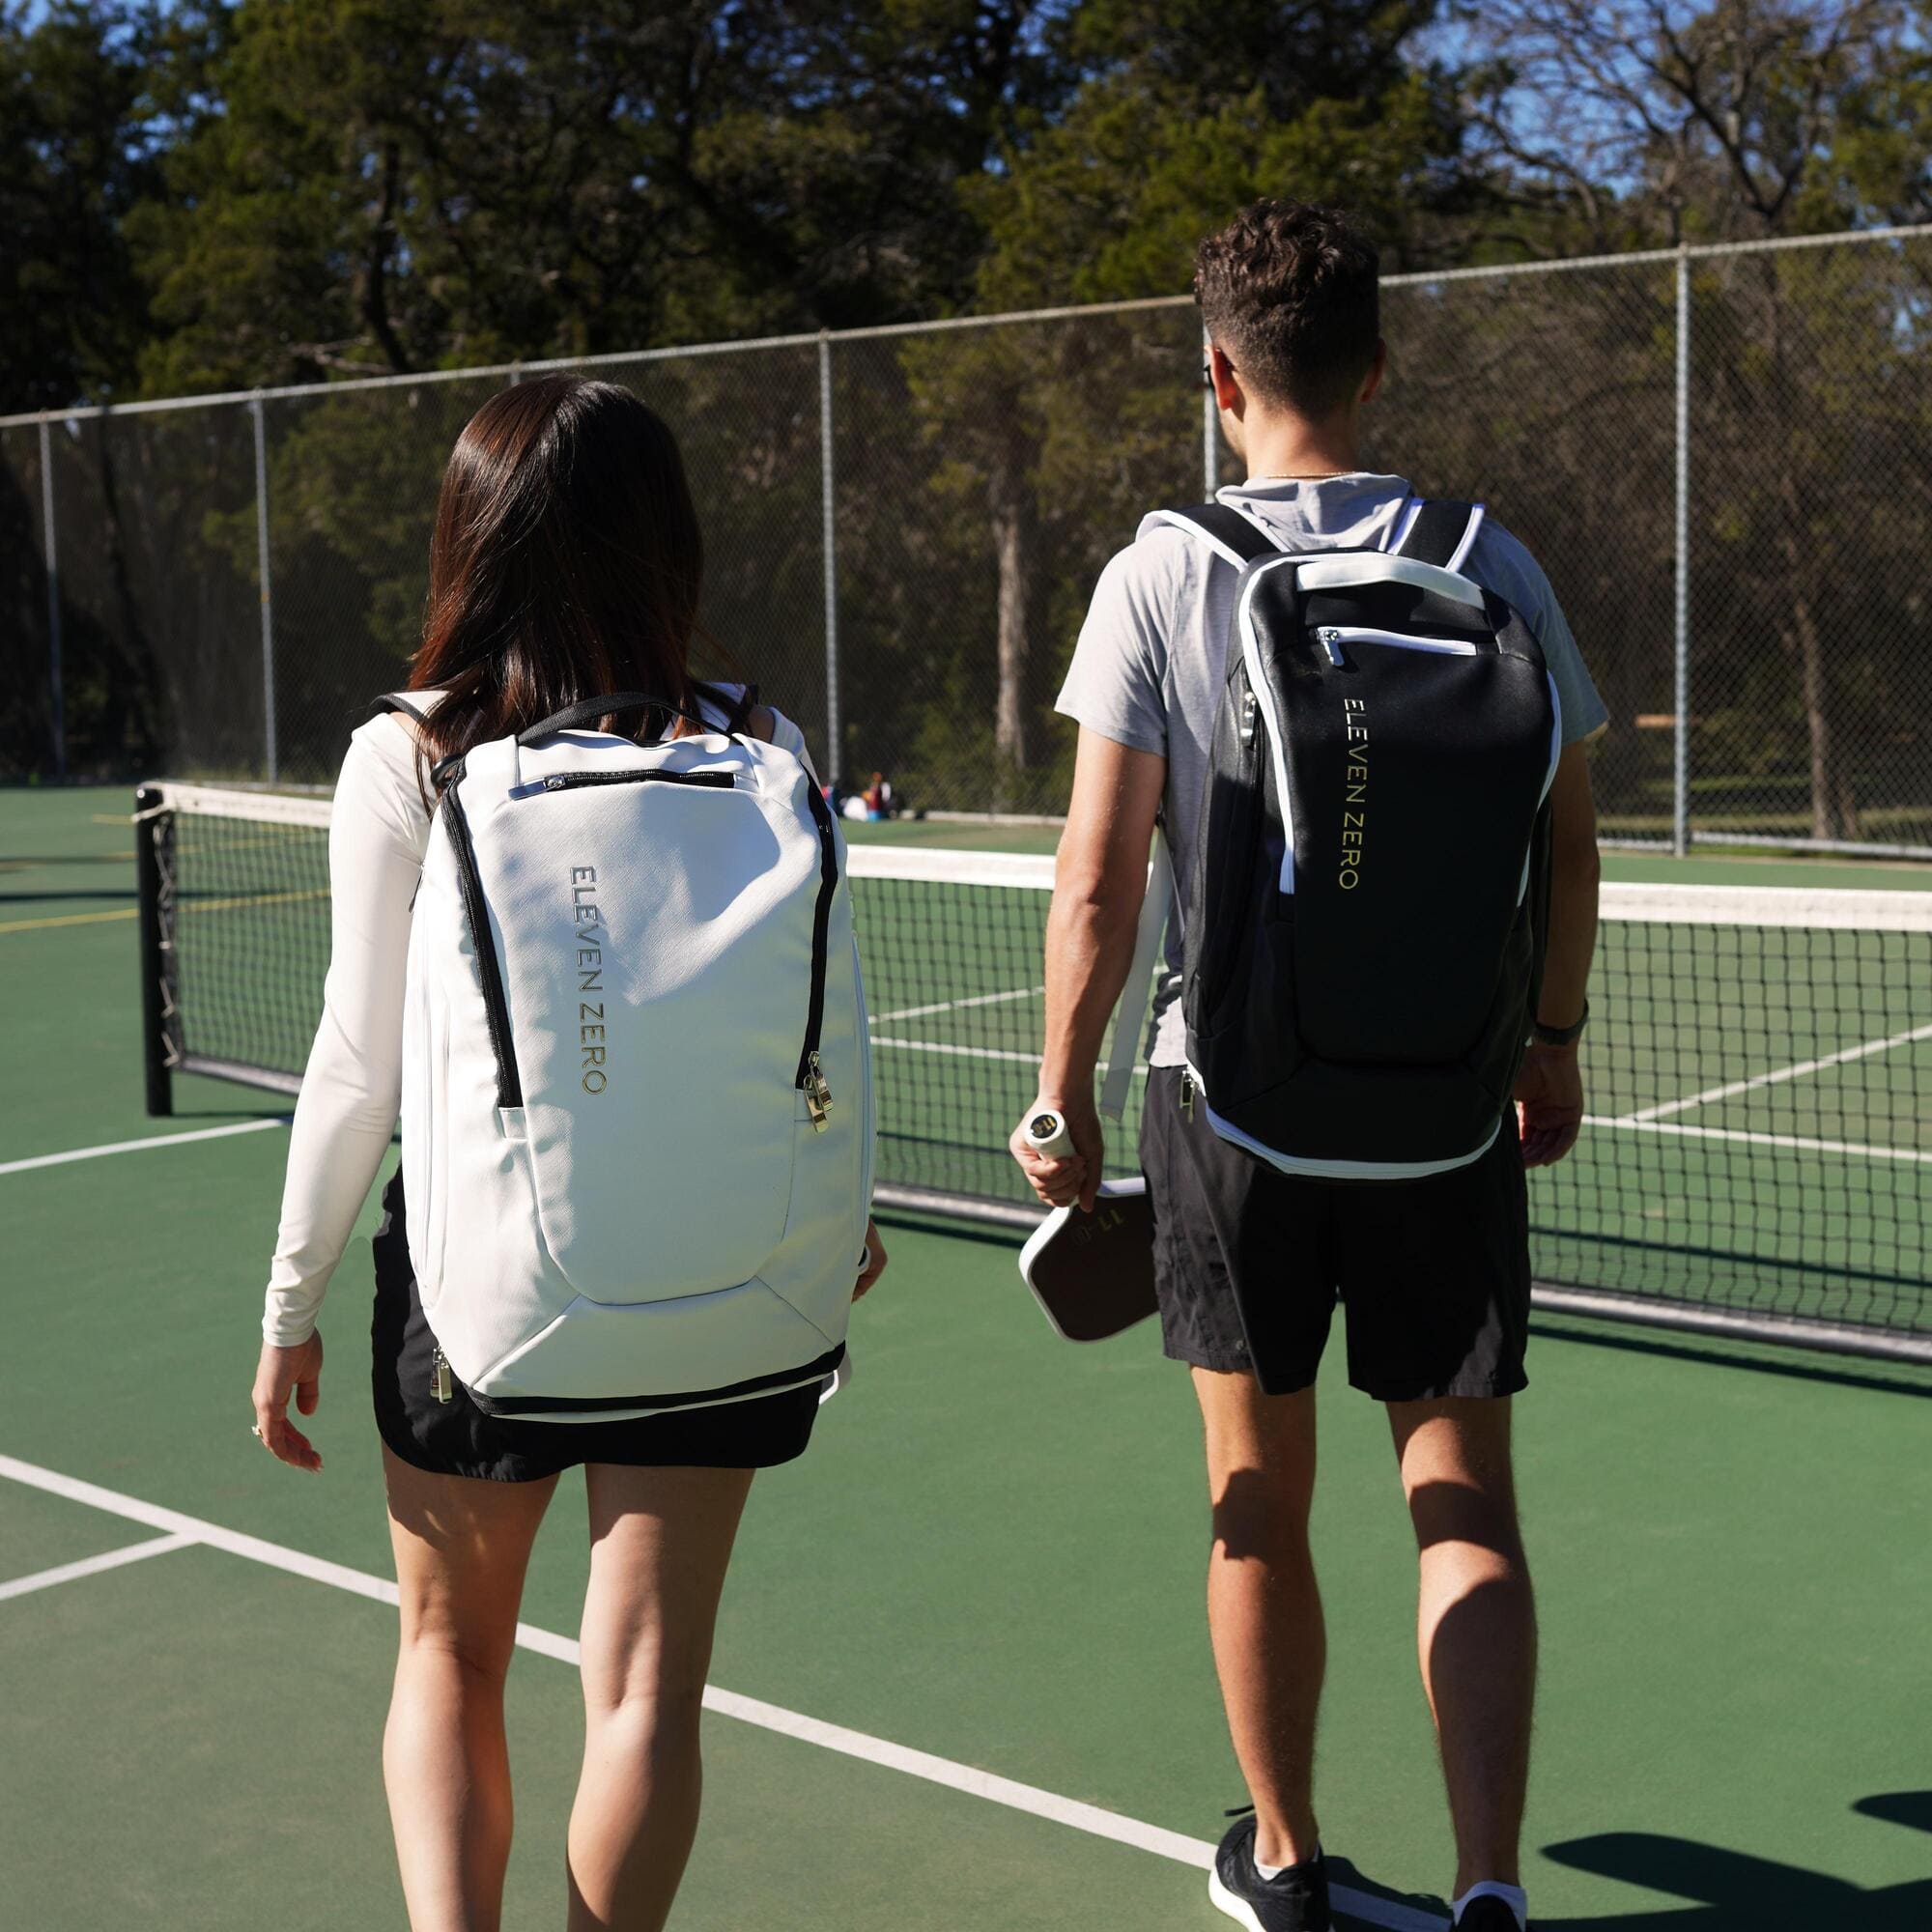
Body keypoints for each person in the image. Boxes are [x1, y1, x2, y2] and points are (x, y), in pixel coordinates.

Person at [1009, 201, 1605, 1932]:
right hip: (1447, 1113)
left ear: (1216, 374)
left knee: (1254, 1502)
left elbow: (1098, 880)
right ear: (1379, 362)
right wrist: (1548, 1044)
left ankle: (1282, 1862)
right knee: (1464, 1505)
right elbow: (1572, 841)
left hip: (1239, 1117)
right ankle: (1488, 1887)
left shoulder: (1161, 569)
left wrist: (1064, 1097)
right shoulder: (1492, 556)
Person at [247, 375, 888, 1932]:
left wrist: (289, 1306)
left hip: (484, 1293)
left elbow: (356, 1067)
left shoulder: (409, 754)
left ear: (468, 538)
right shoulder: (763, 739)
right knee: (649, 1686)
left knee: (450, 1655)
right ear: (666, 544)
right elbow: (821, 1009)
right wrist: (838, 1215)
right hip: (733, 1287)